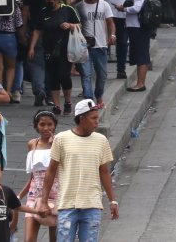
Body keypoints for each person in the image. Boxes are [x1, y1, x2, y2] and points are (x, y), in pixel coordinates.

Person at [39, 99, 118, 242]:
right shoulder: (61, 139)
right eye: (93, 118)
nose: (97, 122)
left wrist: (113, 200)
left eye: (97, 118)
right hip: (67, 205)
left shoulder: (101, 140)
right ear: (82, 119)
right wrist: (44, 201)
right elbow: (51, 171)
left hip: (92, 204)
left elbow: (104, 172)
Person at [28, 0, 81, 116]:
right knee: (52, 77)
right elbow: (37, 30)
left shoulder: (68, 10)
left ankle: (68, 102)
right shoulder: (44, 12)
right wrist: (32, 47)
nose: (48, 3)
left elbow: (79, 24)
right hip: (49, 49)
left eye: (50, 1)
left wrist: (70, 25)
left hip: (65, 49)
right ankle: (57, 105)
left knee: (64, 74)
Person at [19, 110, 59, 242]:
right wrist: (19, 196)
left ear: (55, 126)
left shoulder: (59, 144)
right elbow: (32, 176)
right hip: (34, 195)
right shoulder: (32, 144)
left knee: (55, 238)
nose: (46, 128)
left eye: (50, 124)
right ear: (36, 126)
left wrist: (55, 145)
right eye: (42, 124)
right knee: (29, 239)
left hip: (55, 194)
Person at [77, 0, 115, 104]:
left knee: (102, 75)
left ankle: (98, 95)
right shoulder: (79, 6)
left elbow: (110, 22)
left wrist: (112, 35)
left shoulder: (104, 5)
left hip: (100, 45)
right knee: (86, 74)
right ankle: (89, 100)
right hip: (84, 46)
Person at [97, 0, 132, 80]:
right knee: (103, 44)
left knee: (122, 43)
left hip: (123, 16)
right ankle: (102, 70)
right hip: (106, 16)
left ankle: (121, 69)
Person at [121, 0, 152, 92]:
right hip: (135, 27)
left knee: (141, 56)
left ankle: (140, 83)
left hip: (139, 28)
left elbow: (137, 8)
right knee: (140, 54)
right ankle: (140, 82)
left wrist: (124, 9)